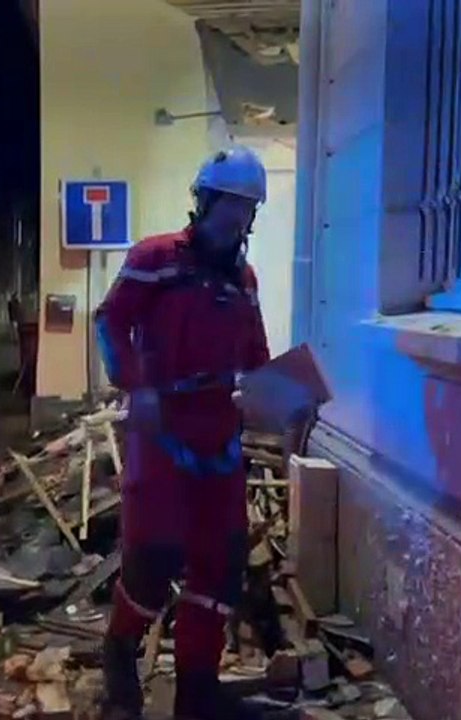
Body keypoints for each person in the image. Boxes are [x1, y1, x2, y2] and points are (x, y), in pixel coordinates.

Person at [94, 146, 272, 719]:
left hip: (218, 437)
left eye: (246, 211)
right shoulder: (155, 259)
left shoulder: (243, 281)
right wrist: (136, 386)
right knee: (152, 559)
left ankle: (197, 687)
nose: (235, 221)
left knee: (220, 564)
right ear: (204, 202)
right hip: (161, 432)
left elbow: (257, 357)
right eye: (228, 206)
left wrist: (284, 398)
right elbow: (110, 321)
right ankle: (119, 653)